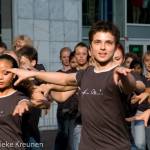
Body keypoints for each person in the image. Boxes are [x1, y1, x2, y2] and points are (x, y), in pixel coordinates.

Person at [7, 21, 138, 150]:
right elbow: (64, 79)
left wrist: (125, 76)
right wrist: (33, 74)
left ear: (115, 48)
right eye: (98, 42)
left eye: (108, 43)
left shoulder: (118, 75)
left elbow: (129, 86)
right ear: (90, 49)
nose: (102, 47)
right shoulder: (85, 74)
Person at [0, 54, 29, 150]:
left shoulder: (19, 97)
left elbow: (27, 102)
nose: (0, 77)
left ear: (14, 75)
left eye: (5, 73)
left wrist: (24, 103)